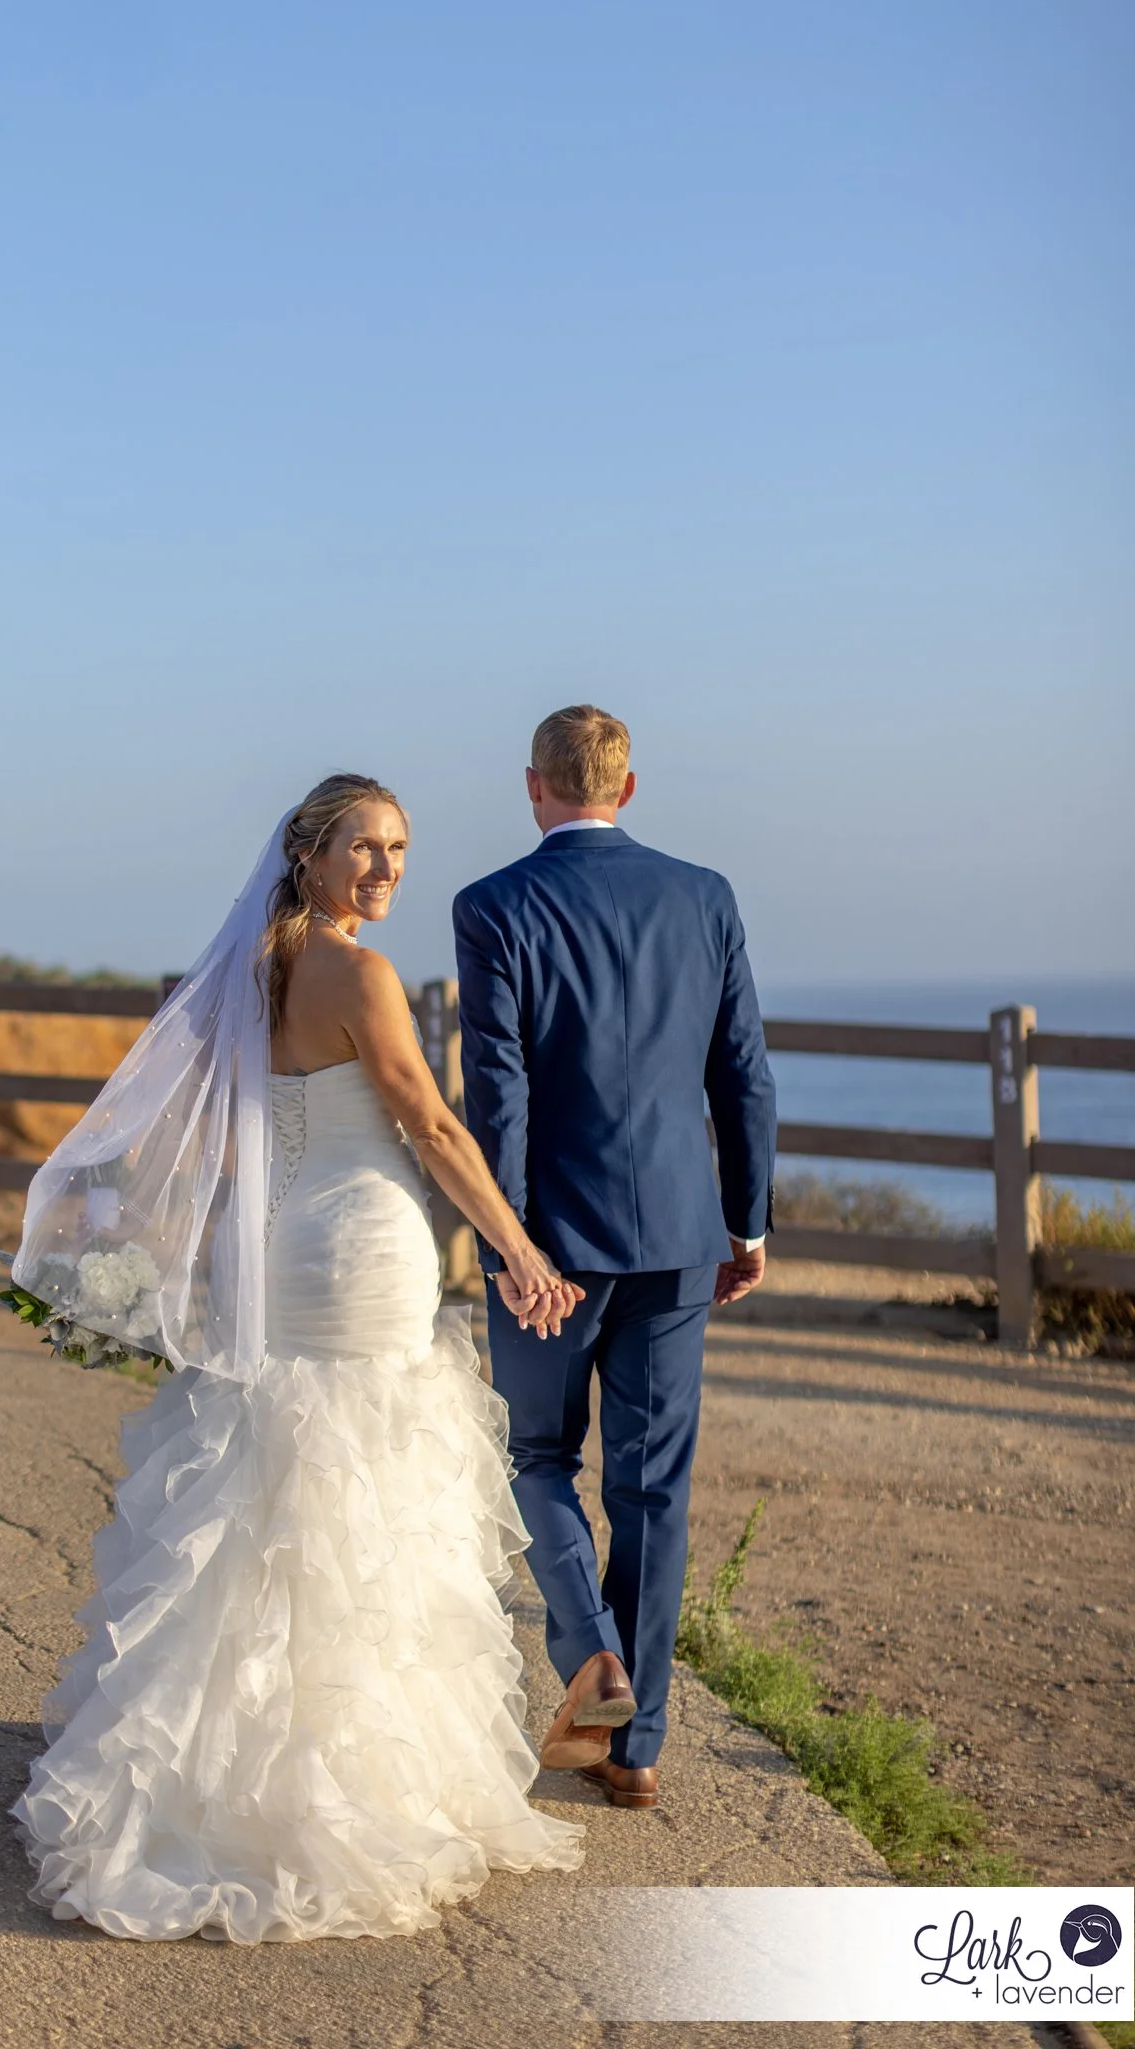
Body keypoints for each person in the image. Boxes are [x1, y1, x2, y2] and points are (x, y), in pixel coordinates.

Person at [10, 775, 583, 1943]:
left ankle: (213, 1777)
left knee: (271, 1495)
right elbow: (427, 1125)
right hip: (358, 1254)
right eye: (362, 849)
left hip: (278, 1257)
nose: (384, 869)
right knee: (360, 1499)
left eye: (398, 850)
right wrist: (518, 1250)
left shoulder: (246, 970)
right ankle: (349, 1791)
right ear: (309, 856)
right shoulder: (359, 976)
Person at [454, 706, 776, 1813]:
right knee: (651, 1491)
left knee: (534, 1456)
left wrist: (507, 1237)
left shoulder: (494, 906)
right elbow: (741, 1075)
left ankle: (590, 1652)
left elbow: (497, 1090)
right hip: (681, 1240)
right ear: (627, 789)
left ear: (532, 787)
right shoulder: (705, 896)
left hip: (551, 1241)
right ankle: (635, 1750)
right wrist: (746, 1220)